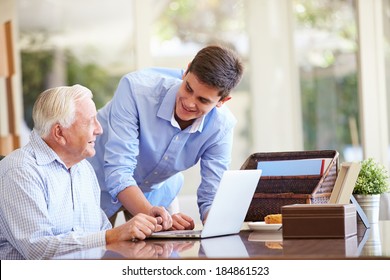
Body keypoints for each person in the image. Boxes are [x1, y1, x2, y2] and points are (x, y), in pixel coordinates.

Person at [0, 85, 172, 260]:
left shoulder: (83, 169)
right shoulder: (20, 171)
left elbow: (101, 232)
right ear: (59, 132)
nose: (99, 129)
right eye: (90, 121)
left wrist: (150, 229)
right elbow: (39, 250)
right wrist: (113, 235)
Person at [87, 45, 244, 230]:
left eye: (203, 100)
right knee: (95, 253)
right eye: (188, 88)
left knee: (166, 253)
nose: (189, 102)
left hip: (157, 193)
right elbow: (118, 171)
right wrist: (154, 216)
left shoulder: (221, 127)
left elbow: (212, 195)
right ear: (186, 71)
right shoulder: (136, 90)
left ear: (222, 101)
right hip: (97, 185)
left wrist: (217, 226)